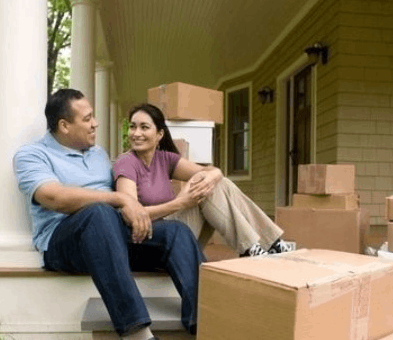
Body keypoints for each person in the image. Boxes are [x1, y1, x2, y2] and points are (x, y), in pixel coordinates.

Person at [13, 89, 203, 340]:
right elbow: (55, 197)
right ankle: (136, 338)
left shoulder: (99, 154)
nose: (95, 124)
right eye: (88, 119)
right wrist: (120, 201)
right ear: (64, 125)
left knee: (176, 232)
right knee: (100, 212)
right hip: (64, 242)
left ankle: (204, 325)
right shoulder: (31, 155)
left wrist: (135, 210)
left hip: (111, 235)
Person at [114, 103, 293, 257]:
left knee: (211, 181)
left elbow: (210, 172)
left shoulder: (164, 159)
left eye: (144, 127)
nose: (136, 133)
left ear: (160, 134)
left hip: (176, 233)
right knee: (204, 184)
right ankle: (259, 245)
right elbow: (132, 216)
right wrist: (181, 203)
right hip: (150, 239)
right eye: (133, 127)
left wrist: (215, 174)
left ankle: (268, 244)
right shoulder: (127, 162)